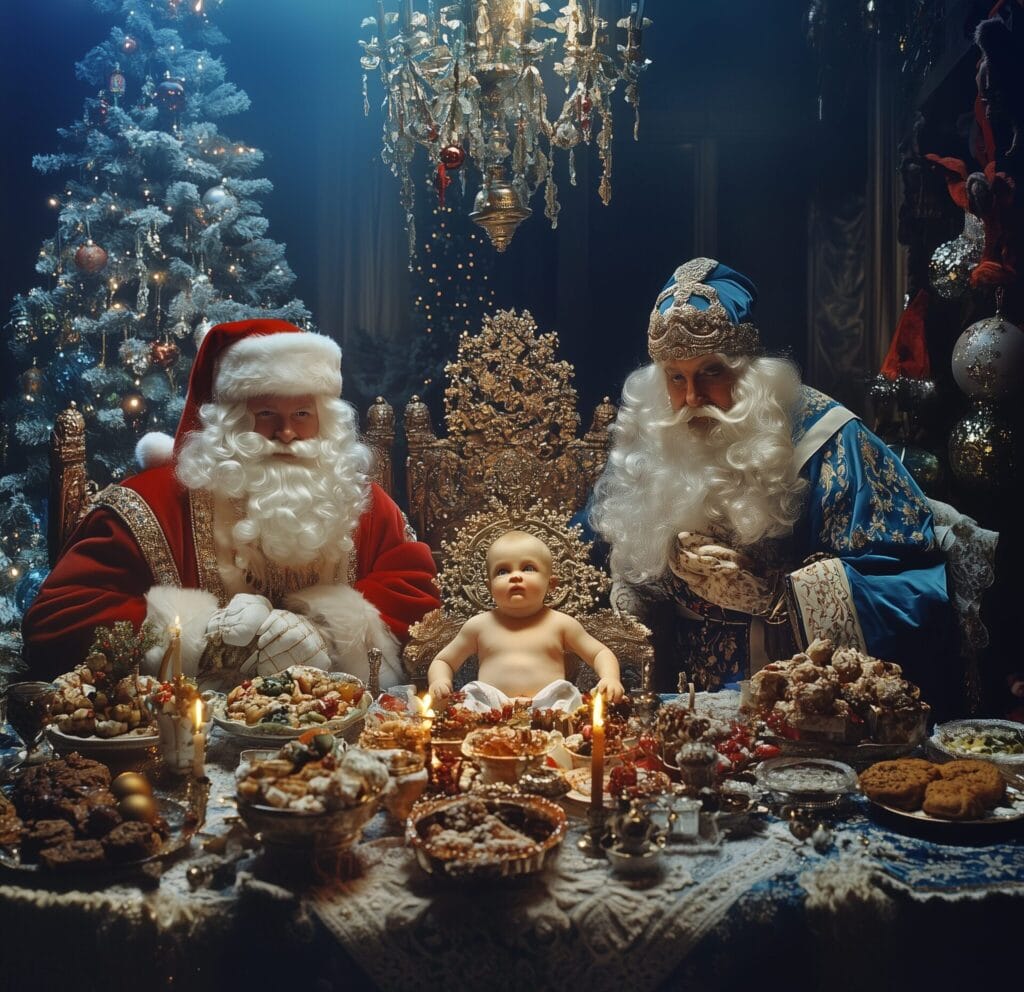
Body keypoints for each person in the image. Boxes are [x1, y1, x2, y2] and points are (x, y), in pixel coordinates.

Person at [590, 257, 976, 718]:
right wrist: (635, 588)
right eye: (676, 377)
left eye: (711, 372)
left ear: (750, 371)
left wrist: (778, 597)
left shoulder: (830, 442)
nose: (691, 399)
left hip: (801, 708)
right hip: (685, 704)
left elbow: (911, 588)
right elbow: (607, 541)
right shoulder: (661, 435)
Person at [23, 318, 440, 687]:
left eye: (301, 413)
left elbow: (417, 593)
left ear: (325, 420)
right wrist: (200, 639)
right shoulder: (152, 504)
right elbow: (57, 621)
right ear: (232, 419)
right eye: (265, 414)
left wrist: (327, 631)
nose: (286, 433)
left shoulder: (357, 498)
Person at [427, 530, 624, 711]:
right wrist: (439, 681)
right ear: (489, 587)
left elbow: (600, 653)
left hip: (549, 706)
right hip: (491, 707)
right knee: (471, 695)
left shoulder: (561, 624)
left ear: (551, 583)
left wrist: (610, 678)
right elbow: (444, 660)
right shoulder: (478, 626)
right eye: (502, 571)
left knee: (568, 693)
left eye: (528, 568)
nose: (515, 577)